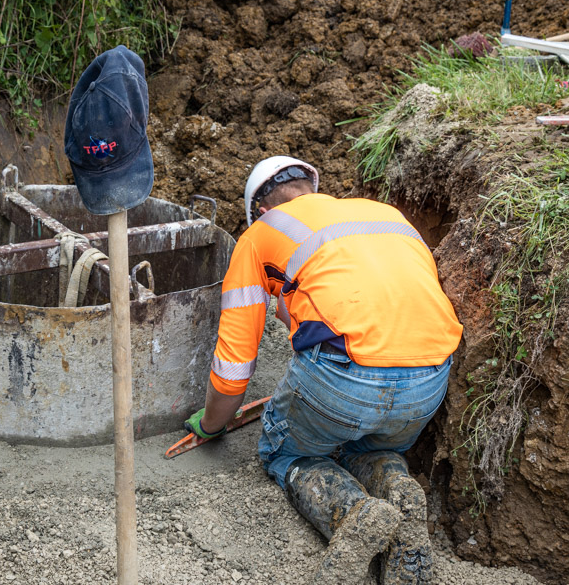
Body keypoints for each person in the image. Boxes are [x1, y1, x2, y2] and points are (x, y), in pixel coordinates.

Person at [184, 156, 463, 585]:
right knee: (366, 445)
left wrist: (211, 423)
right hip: (428, 380)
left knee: (290, 453)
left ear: (260, 210)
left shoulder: (259, 236)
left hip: (345, 382)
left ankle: (355, 513)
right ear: (311, 189)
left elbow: (235, 365)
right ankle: (397, 488)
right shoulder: (381, 215)